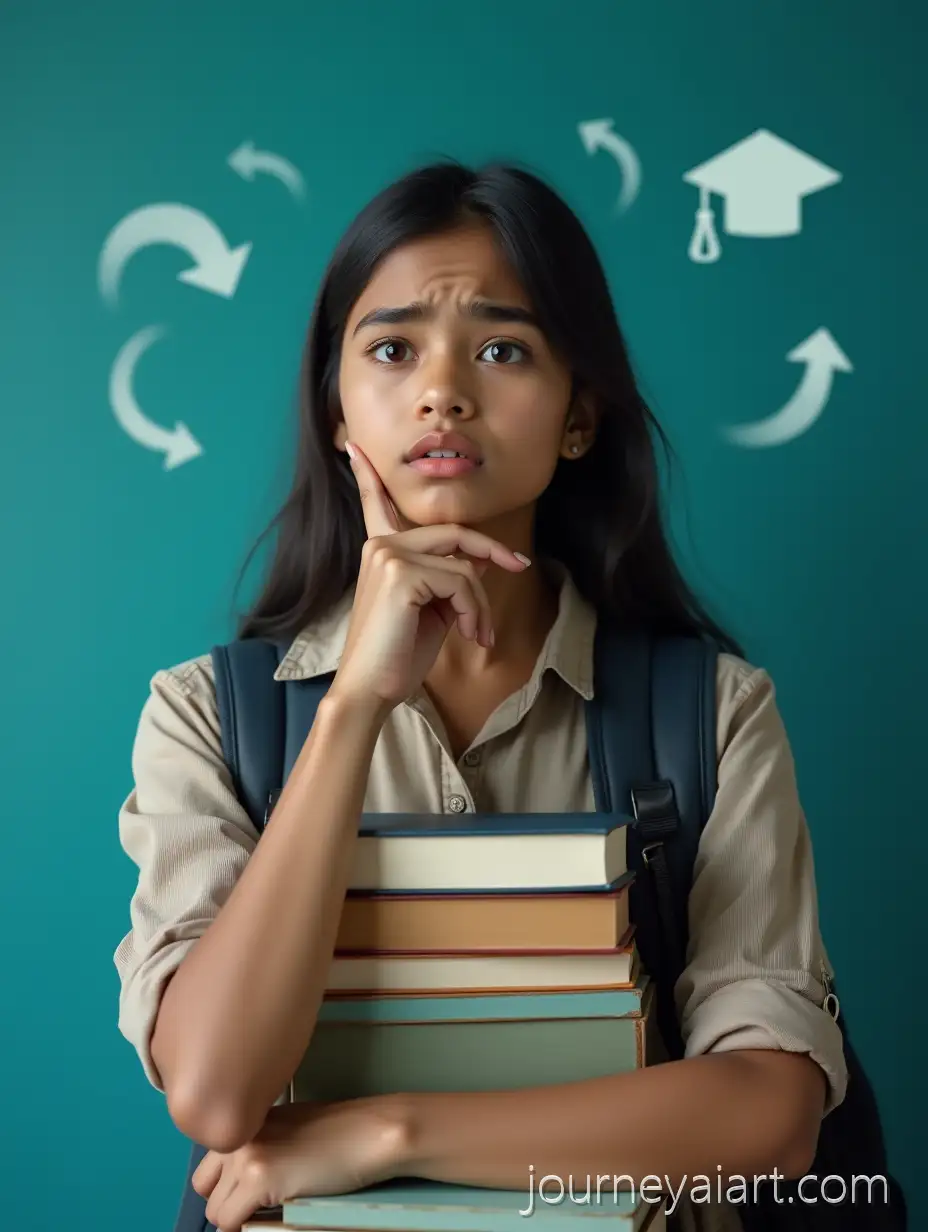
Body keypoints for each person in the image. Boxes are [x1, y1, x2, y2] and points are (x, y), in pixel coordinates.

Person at [113, 161, 847, 1232]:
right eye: (391, 349)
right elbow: (218, 1094)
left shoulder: (715, 715)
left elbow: (770, 1112)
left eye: (502, 349)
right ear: (335, 411)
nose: (443, 391)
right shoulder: (207, 718)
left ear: (578, 416)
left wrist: (389, 1132)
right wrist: (353, 705)